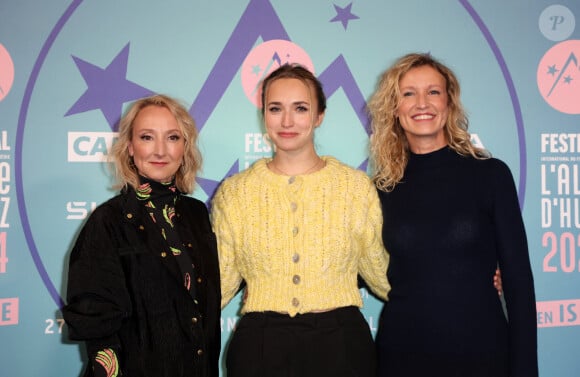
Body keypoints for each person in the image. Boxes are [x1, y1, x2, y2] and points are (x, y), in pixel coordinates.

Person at [211, 64, 390, 377]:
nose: (287, 121)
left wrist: (465, 280)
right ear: (263, 115)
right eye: (275, 108)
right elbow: (219, 283)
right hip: (261, 347)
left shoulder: (355, 187)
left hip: (342, 345)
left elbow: (382, 273)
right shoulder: (236, 193)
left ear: (319, 116)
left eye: (301, 108)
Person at [368, 53, 538, 377]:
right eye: (408, 93)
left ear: (449, 103)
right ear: (394, 108)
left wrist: (525, 369)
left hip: (483, 355)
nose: (422, 103)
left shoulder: (491, 175)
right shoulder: (380, 189)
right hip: (402, 357)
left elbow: (518, 282)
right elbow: (355, 266)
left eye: (433, 92)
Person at [62, 95, 221, 377]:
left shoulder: (196, 214)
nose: (160, 150)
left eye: (172, 137)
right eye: (147, 137)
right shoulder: (108, 222)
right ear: (130, 148)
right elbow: (97, 327)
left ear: (185, 148)